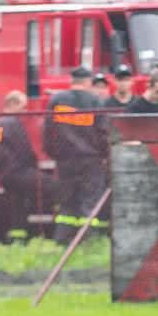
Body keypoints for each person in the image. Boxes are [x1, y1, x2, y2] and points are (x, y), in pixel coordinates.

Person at [43, 67, 109, 244]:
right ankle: (88, 241)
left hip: (65, 160)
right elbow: (104, 133)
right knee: (90, 200)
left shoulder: (57, 100)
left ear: (72, 81)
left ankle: (62, 240)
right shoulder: (95, 101)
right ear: (88, 82)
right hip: (91, 161)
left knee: (67, 202)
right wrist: (105, 155)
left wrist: (54, 154)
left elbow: (48, 132)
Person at [0, 90, 59, 241]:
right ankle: (54, 230)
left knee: (19, 208)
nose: (25, 111)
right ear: (12, 105)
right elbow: (24, 150)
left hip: (7, 174)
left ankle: (19, 236)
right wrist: (32, 165)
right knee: (54, 186)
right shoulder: (10, 123)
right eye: (22, 107)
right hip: (18, 172)